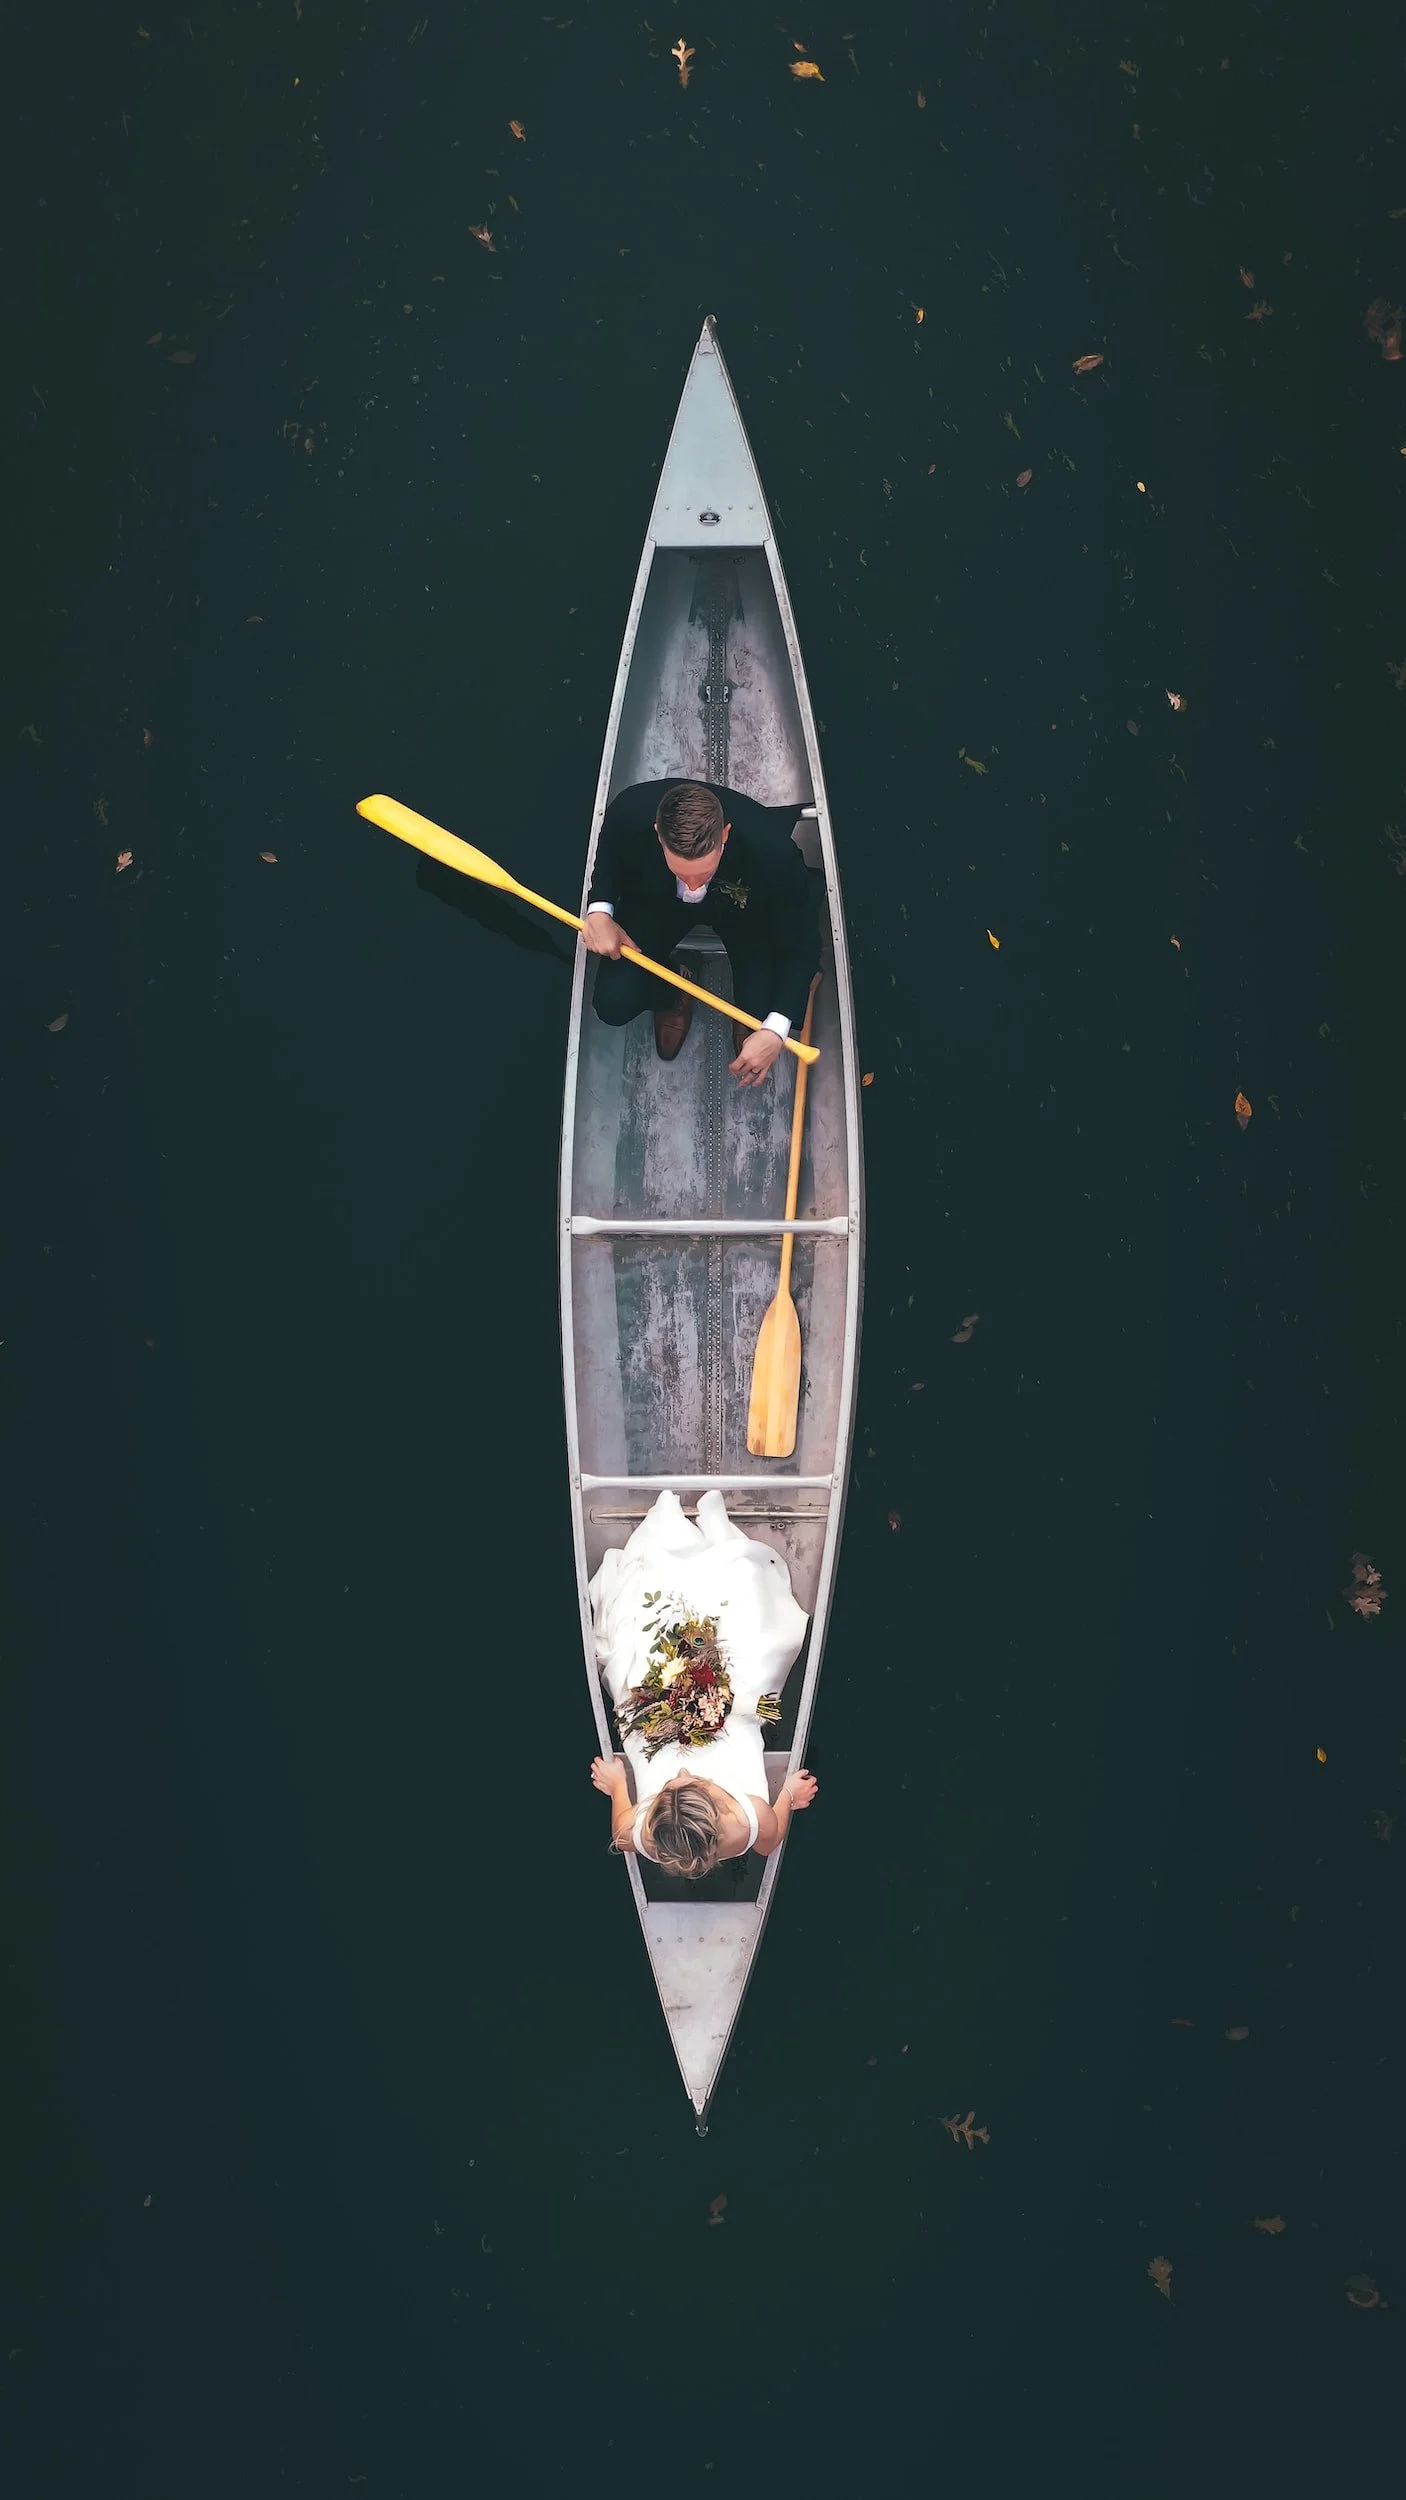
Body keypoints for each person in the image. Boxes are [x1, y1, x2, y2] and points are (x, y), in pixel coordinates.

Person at [588, 1488, 819, 1877]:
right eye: (693, 1783)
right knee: (747, 1649)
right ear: (721, 1809)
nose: (679, 1775)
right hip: (731, 1732)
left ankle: (678, 1535)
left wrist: (617, 1788)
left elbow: (621, 1833)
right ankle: (718, 1536)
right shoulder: (751, 1821)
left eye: (667, 1790)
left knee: (647, 1659)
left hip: (654, 1738)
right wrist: (790, 1796)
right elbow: (771, 1840)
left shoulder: (640, 1833)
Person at [580, 778, 820, 1088]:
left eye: (703, 874)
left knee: (764, 1013)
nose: (693, 887)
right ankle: (674, 986)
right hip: (657, 904)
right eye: (682, 873)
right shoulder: (629, 810)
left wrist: (776, 1030)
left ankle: (754, 1016)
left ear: (725, 835)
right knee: (613, 1002)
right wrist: (600, 909)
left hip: (744, 918)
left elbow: (802, 944)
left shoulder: (773, 851)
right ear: (658, 835)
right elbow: (611, 854)